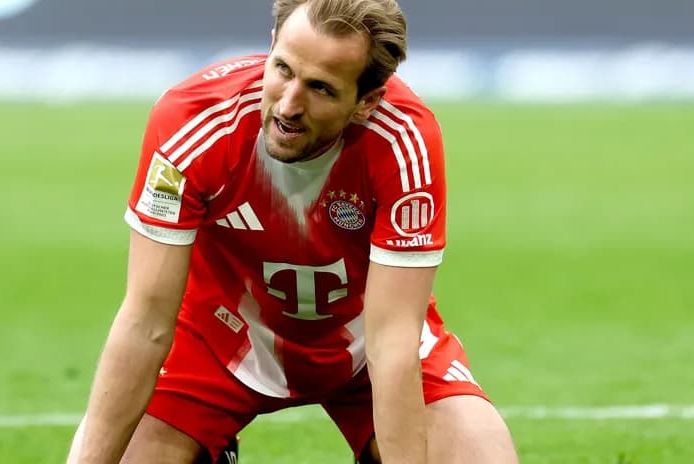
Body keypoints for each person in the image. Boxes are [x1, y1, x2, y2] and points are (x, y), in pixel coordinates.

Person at [67, 0, 519, 462]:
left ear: (367, 102)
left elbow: (392, 342)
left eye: (321, 88)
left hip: (366, 349)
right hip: (213, 341)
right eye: (282, 68)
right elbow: (145, 323)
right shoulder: (192, 121)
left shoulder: (405, 143)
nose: (288, 104)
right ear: (271, 45)